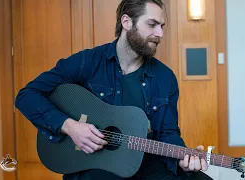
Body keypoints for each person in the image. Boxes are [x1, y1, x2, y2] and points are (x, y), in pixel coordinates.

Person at [14, 0, 214, 179]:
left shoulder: (165, 77)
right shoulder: (87, 62)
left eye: (162, 26)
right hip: (93, 164)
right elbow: (26, 96)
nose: (160, 34)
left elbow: (168, 133)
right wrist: (69, 126)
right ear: (127, 22)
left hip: (146, 163)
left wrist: (182, 159)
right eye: (152, 24)